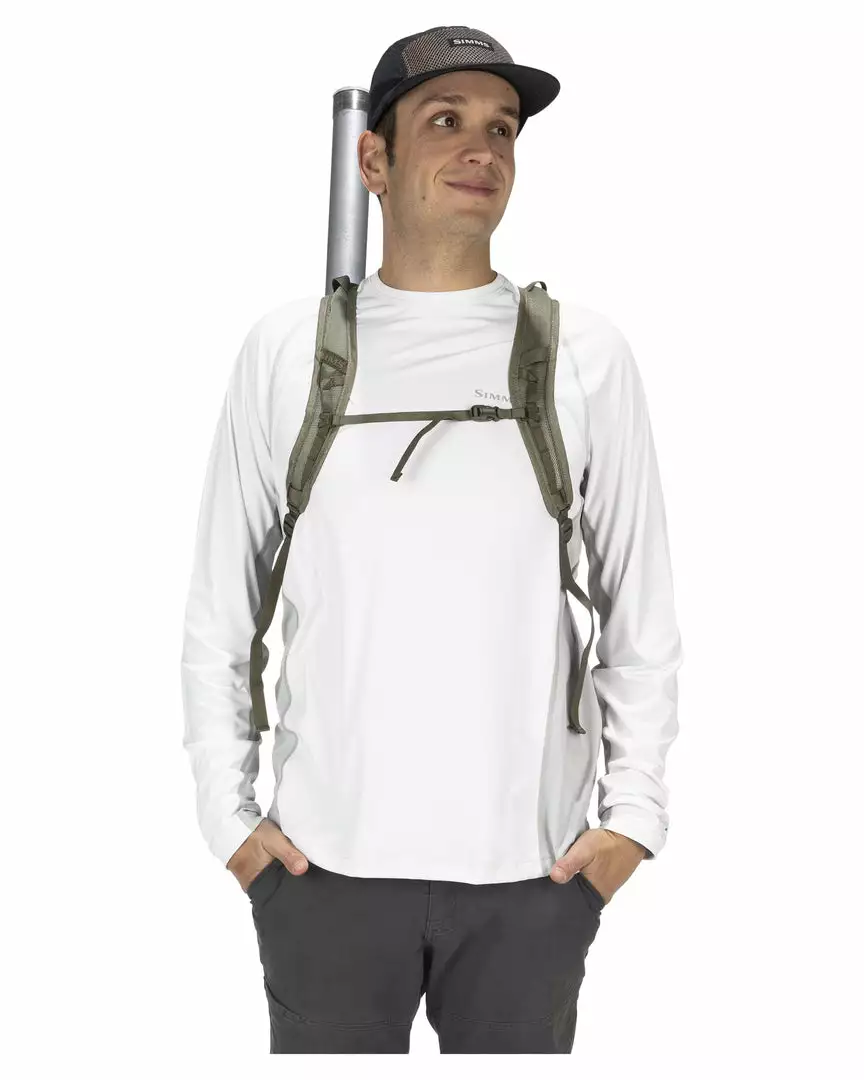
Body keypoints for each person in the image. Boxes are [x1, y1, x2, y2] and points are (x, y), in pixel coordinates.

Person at [180, 25, 683, 1054]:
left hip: (531, 880)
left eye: (502, 129)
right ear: (373, 158)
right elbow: (221, 611)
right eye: (445, 121)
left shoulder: (583, 355)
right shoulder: (288, 351)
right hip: (322, 873)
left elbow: (640, 612)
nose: (482, 150)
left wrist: (630, 823)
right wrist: (231, 827)